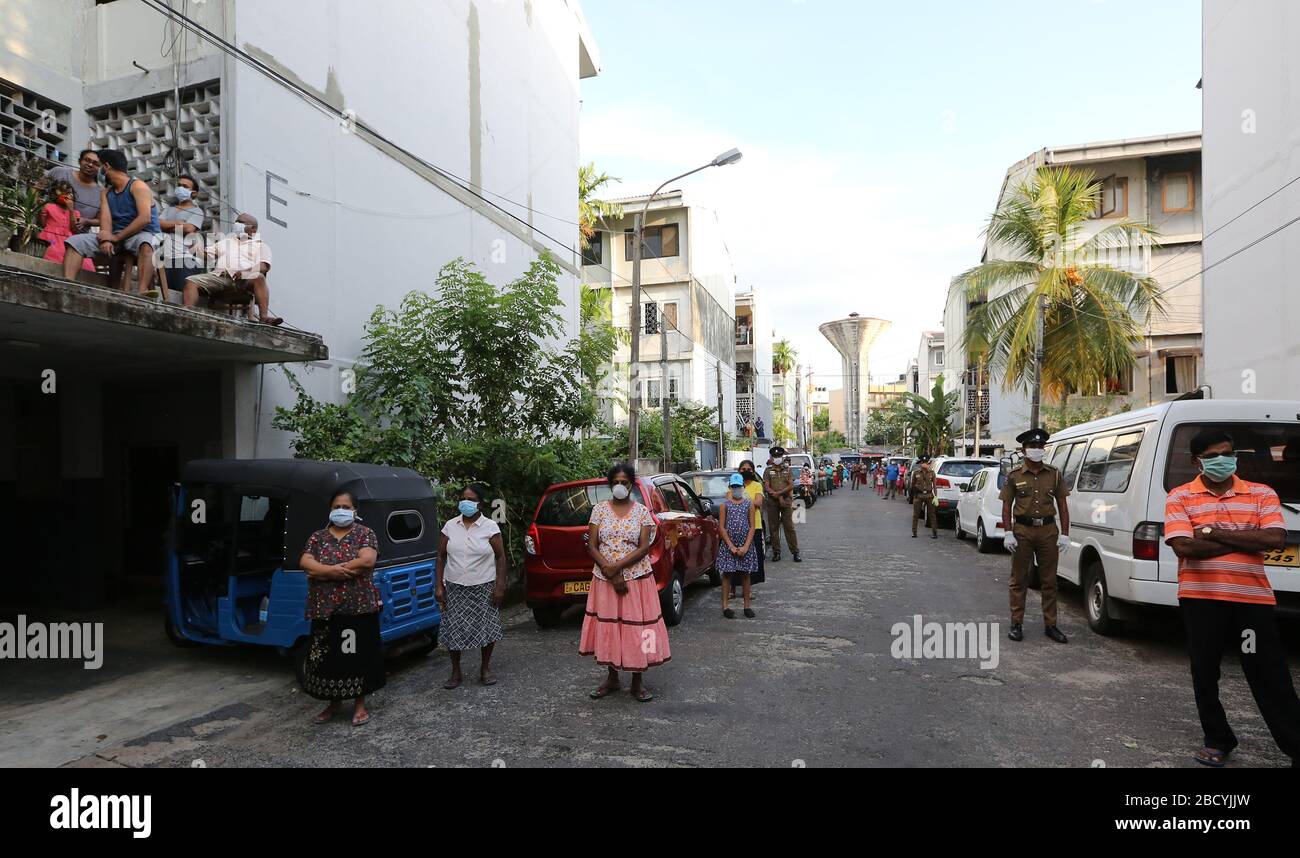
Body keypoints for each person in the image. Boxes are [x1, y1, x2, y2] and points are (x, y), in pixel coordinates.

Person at [1164, 429, 1300, 767]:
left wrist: (1211, 532)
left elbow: (1275, 539)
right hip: (1201, 601)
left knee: (1268, 672)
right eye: (1212, 456)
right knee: (1205, 672)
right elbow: (1184, 546)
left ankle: (1296, 744)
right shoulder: (1180, 497)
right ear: (1197, 462)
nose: (1222, 460)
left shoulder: (1260, 493)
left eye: (1227, 453)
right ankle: (1218, 739)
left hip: (1251, 603)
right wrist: (1245, 537)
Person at [580, 463, 670, 702]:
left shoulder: (642, 512)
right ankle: (612, 677)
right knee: (610, 626)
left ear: (632, 484)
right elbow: (592, 545)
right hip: (604, 579)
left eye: (624, 482)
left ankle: (638, 681)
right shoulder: (599, 510)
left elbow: (643, 548)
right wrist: (609, 571)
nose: (620, 486)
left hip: (637, 579)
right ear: (610, 485)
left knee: (639, 628)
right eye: (616, 482)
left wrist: (616, 568)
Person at [298, 489, 383, 726]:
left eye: (346, 507)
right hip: (325, 609)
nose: (341, 511)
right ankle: (333, 704)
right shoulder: (318, 537)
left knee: (355, 656)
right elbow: (306, 562)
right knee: (328, 658)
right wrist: (333, 571)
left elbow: (367, 561)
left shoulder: (365, 534)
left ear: (355, 510)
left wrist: (323, 569)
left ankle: (359, 705)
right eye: (337, 506)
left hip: (357, 609)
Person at [1000, 428, 1071, 644]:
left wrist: (1065, 534)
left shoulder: (1054, 474)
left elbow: (1063, 506)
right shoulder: (1014, 476)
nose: (1037, 450)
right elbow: (1006, 506)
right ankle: (1016, 624)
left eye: (1040, 447)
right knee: (1019, 579)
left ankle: (1051, 625)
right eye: (1032, 447)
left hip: (1048, 531)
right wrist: (1008, 532)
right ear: (1024, 450)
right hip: (1022, 531)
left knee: (1049, 580)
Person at [62, 148, 162, 297]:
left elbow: (144, 218)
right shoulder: (106, 193)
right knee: (75, 242)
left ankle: (142, 294)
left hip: (144, 234)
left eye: (99, 165)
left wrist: (115, 238)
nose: (97, 170)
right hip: (116, 236)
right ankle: (67, 288)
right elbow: (106, 219)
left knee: (146, 245)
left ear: (106, 167)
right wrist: (105, 238)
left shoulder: (138, 186)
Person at [436, 483, 507, 689]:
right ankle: (455, 671)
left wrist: (500, 586)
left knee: (486, 628)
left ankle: (485, 668)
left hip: (483, 586)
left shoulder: (490, 527)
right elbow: (440, 557)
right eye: (463, 498)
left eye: (471, 499)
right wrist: (438, 586)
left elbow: (501, 558)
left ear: (480, 504)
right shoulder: (450, 526)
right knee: (453, 629)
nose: (466, 503)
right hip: (455, 587)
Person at [182, 212, 282, 325]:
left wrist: (246, 271)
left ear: (253, 229)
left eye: (240, 222)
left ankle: (264, 318)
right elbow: (205, 255)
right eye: (236, 222)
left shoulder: (261, 246)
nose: (236, 224)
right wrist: (194, 247)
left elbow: (264, 266)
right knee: (190, 281)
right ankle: (187, 314)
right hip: (220, 276)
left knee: (259, 277)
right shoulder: (226, 242)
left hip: (244, 279)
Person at [156, 174, 206, 303]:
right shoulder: (168, 210)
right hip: (165, 257)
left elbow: (189, 229)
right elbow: (157, 224)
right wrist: (179, 223)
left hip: (184, 259)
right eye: (179, 185)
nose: (180, 188)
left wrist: (168, 226)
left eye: (185, 186)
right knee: (166, 296)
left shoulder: (197, 211)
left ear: (193, 193)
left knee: (181, 295)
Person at [717, 473, 759, 619]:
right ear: (730, 487)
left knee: (746, 575)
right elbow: (721, 527)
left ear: (743, 487)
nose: (736, 489)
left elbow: (752, 527)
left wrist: (746, 546)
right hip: (729, 546)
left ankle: (747, 606)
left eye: (738, 486)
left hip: (745, 545)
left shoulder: (749, 504)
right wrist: (731, 546)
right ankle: (725, 606)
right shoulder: (724, 506)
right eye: (734, 487)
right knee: (727, 575)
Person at [39, 182, 94, 272]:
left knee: (83, 260)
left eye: (69, 193)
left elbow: (74, 229)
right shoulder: (49, 207)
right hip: (52, 239)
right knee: (55, 252)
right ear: (55, 194)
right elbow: (42, 224)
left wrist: (71, 210)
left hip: (69, 240)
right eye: (63, 192)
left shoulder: (75, 213)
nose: (66, 195)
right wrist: (41, 211)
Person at [42, 149, 102, 226]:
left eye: (95, 163)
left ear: (100, 168)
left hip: (77, 235)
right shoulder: (59, 172)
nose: (90, 164)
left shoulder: (101, 193)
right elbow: (36, 189)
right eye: (87, 160)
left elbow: (101, 220)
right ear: (80, 161)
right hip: (46, 230)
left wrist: (86, 221)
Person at [763, 446, 801, 562]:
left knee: (789, 527)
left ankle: (795, 552)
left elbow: (791, 485)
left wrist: (779, 493)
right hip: (772, 502)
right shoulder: (768, 470)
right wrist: (773, 493)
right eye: (775, 456)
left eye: (779, 456)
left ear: (782, 457)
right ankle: (776, 552)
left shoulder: (787, 470)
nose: (777, 458)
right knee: (773, 528)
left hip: (786, 501)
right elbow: (766, 485)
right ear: (772, 457)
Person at [737, 460, 767, 587]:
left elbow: (758, 502)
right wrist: (749, 502)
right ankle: (733, 587)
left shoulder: (757, 485)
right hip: (738, 526)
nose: (746, 471)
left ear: (753, 471)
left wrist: (740, 501)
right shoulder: (735, 485)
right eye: (743, 469)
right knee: (737, 557)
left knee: (755, 558)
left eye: (749, 469)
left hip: (755, 526)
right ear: (739, 471)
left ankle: (749, 588)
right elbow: (728, 501)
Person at [911, 455, 939, 539]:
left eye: (926, 463)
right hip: (919, 495)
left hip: (929, 495)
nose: (925, 464)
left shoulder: (932, 473)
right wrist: (913, 497)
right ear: (920, 464)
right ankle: (914, 532)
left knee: (932, 515)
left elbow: (934, 485)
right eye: (923, 463)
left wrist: (936, 497)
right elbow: (912, 485)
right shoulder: (916, 473)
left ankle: (934, 533)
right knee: (916, 515)